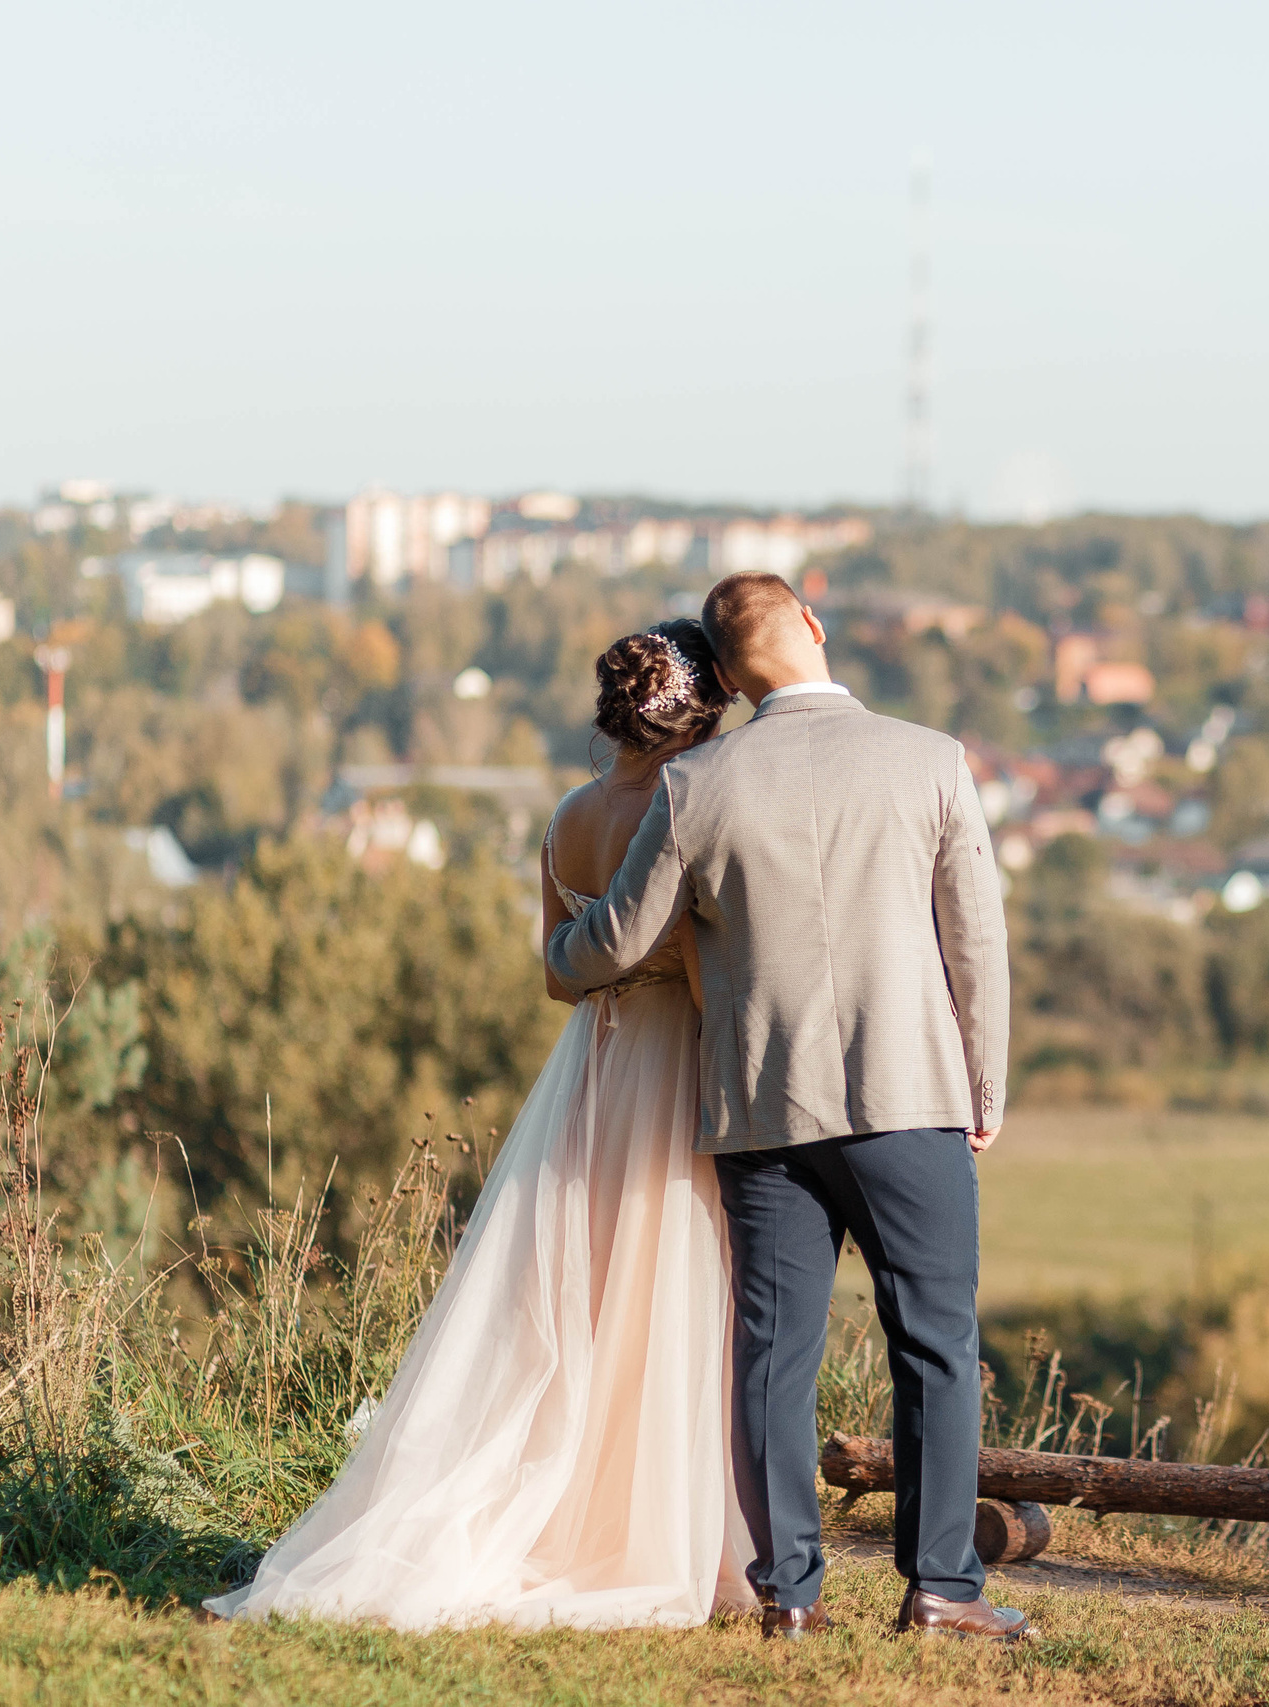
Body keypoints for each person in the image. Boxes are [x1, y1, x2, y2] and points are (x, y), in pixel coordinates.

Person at [207, 619, 754, 1630]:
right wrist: (677, 968)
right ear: (702, 707)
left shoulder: (568, 815)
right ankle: (654, 1535)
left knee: (583, 1286)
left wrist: (617, 968)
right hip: (675, 1058)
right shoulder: (694, 803)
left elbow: (557, 976)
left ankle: (584, 1515)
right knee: (668, 1285)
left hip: (590, 1061)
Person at [545, 571, 1020, 1644]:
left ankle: (789, 1596)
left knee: (770, 1353)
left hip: (761, 1104)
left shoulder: (697, 783)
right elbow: (975, 947)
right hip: (911, 1097)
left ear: (719, 671)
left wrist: (556, 950)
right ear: (811, 627)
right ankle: (941, 1587)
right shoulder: (931, 759)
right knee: (935, 1345)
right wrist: (981, 1088)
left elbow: (615, 942)